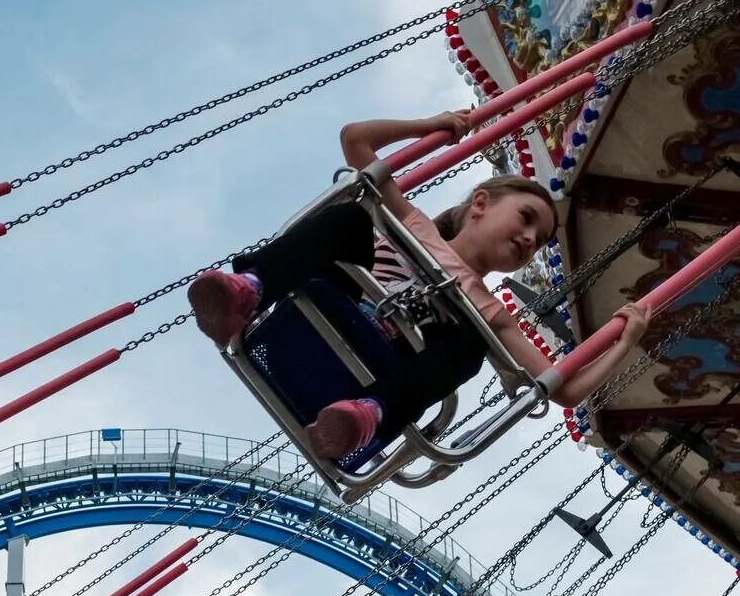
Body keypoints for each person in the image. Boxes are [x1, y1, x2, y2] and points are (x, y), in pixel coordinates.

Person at [187, 110, 649, 460]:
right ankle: (247, 290)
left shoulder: (491, 312)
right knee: (351, 215)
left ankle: (371, 415)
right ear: (481, 204)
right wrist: (435, 125)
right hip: (321, 319)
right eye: (527, 220)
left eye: (539, 242)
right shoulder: (413, 224)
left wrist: (624, 343)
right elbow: (356, 140)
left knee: (471, 344)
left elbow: (562, 389)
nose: (530, 240)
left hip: (371, 370)